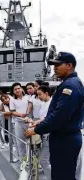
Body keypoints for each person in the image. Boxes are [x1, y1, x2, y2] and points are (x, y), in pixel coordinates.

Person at [26, 52, 84, 180]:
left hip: (65, 140)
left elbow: (60, 116)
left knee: (63, 176)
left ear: (69, 65)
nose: (54, 68)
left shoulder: (70, 85)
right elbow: (59, 113)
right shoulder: (70, 83)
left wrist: (36, 130)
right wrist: (40, 122)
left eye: (58, 65)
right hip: (64, 139)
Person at [29, 85, 52, 180]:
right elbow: (44, 118)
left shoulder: (52, 103)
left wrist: (35, 128)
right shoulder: (44, 103)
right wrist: (36, 123)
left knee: (43, 161)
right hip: (44, 133)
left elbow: (49, 119)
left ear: (46, 93)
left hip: (49, 134)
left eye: (40, 94)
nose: (38, 97)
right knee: (46, 159)